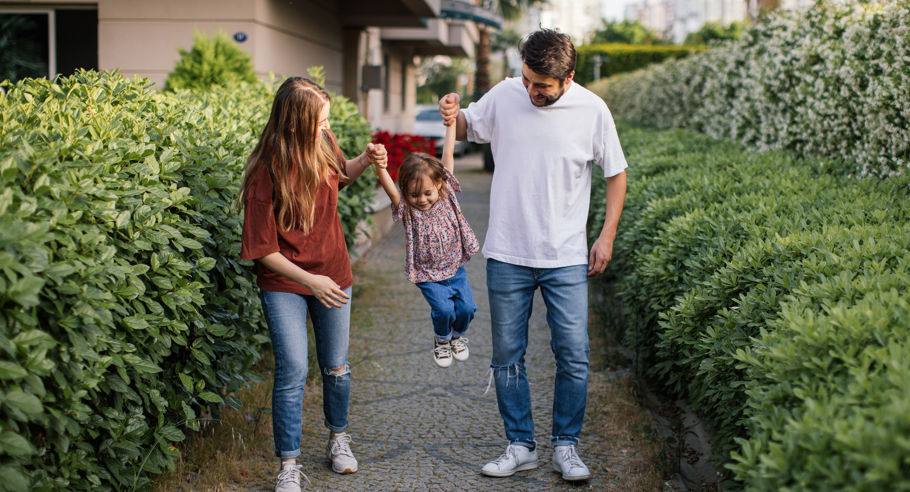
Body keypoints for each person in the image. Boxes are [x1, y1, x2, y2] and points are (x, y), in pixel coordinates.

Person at [438, 28, 628, 482]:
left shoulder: (593, 110)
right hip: (507, 252)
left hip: (565, 256)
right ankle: (520, 444)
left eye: (541, 85)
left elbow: (616, 174)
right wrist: (451, 111)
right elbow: (467, 123)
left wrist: (606, 237)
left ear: (568, 78)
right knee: (507, 355)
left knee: (574, 354)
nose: (531, 91)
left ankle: (567, 446)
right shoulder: (506, 94)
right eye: (527, 79)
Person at [238, 77, 387, 492]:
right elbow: (261, 249)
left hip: (333, 273)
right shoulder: (264, 174)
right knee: (293, 371)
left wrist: (365, 158)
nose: (326, 127)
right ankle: (288, 465)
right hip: (284, 281)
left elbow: (340, 177)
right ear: (293, 126)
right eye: (320, 122)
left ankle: (338, 438)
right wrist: (311, 281)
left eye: (327, 121)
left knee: (336, 367)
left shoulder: (322, 143)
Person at [374, 95, 481, 368]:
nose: (422, 199)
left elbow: (446, 157)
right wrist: (380, 167)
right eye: (414, 194)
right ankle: (442, 340)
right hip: (427, 273)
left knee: (466, 309)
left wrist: (449, 126)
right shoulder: (408, 210)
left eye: (427, 193)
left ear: (439, 185)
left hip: (455, 268)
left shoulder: (444, 194)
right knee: (444, 309)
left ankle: (458, 337)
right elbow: (390, 188)